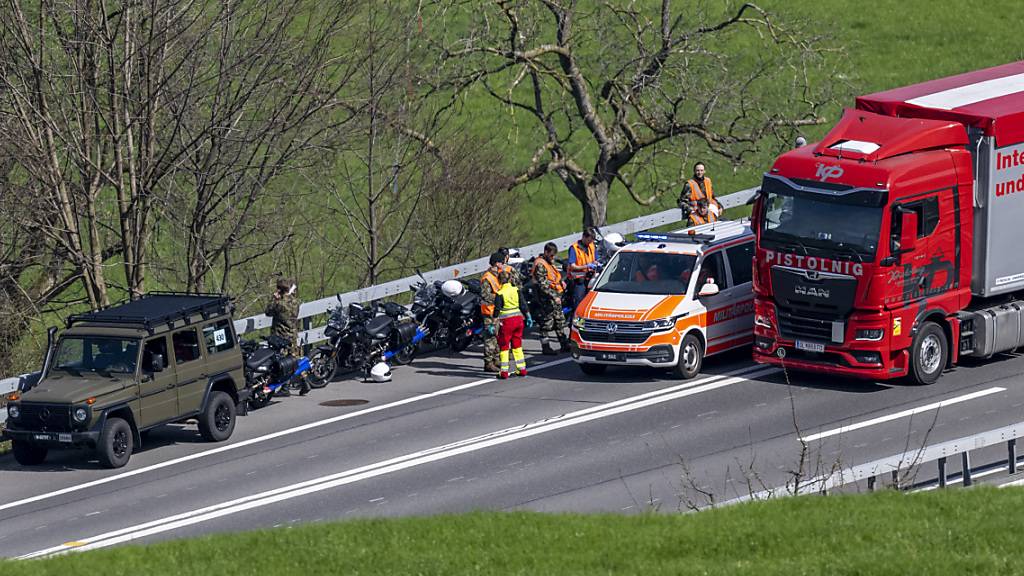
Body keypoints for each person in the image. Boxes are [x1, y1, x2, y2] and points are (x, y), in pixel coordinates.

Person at [265, 277, 308, 396]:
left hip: (281, 337)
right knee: (295, 359)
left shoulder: (279, 304)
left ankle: (285, 388)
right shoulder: (295, 302)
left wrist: (273, 299)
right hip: (292, 334)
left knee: (283, 363)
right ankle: (304, 380)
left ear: (279, 289)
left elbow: (268, 311)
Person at [531, 242, 571, 355]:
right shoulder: (540, 264)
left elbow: (553, 277)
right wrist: (553, 296)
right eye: (551, 255)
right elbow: (542, 285)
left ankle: (564, 344)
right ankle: (545, 347)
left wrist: (561, 282)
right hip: (545, 298)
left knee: (559, 320)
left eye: (554, 255)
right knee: (546, 324)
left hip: (554, 297)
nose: (553, 257)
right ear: (546, 252)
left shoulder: (549, 263)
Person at [492, 270, 533, 379]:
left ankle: (504, 372)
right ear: (510, 279)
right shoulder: (516, 290)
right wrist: (528, 316)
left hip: (506, 322)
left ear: (499, 280)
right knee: (517, 345)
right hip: (518, 320)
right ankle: (522, 369)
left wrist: (493, 323)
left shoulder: (500, 293)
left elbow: (497, 309)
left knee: (504, 346)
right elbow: (523, 304)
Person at [479, 252, 505, 373]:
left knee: (497, 336)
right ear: (496, 263)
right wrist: (499, 298)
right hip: (489, 312)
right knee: (490, 338)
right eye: (501, 262)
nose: (503, 265)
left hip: (497, 310)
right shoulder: (487, 278)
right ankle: (488, 363)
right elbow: (485, 296)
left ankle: (496, 359)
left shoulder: (497, 275)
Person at [679, 162, 722, 227]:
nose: (699, 172)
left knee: (715, 225)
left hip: (709, 209)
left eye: (701, 170)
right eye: (697, 170)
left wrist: (720, 206)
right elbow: (682, 201)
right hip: (696, 210)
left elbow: (712, 197)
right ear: (694, 171)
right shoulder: (689, 184)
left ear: (704, 171)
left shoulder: (708, 181)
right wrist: (690, 210)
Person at [565, 228, 597, 315]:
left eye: (591, 241)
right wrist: (586, 266)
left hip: (590, 278)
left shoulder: (592, 246)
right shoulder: (574, 248)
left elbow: (595, 259)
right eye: (588, 240)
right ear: (583, 237)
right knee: (579, 302)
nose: (589, 243)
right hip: (579, 280)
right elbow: (572, 265)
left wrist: (596, 264)